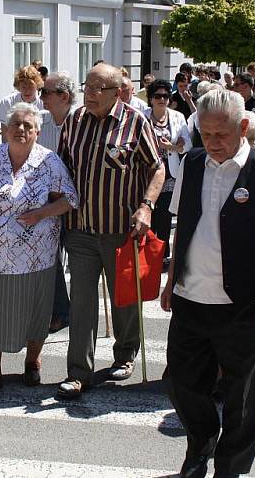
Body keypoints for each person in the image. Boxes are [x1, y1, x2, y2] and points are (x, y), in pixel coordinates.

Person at [161, 88, 255, 478]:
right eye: (205, 135)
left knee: (244, 395)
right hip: (192, 297)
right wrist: (171, 278)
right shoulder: (191, 164)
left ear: (243, 127)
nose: (213, 143)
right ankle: (200, 445)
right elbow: (183, 225)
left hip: (246, 302)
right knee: (182, 383)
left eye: (221, 134)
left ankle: (230, 468)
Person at [56, 63, 164, 399]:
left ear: (116, 93)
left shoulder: (135, 121)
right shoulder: (74, 121)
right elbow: (61, 168)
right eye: (86, 86)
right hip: (80, 229)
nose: (88, 93)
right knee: (82, 305)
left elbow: (157, 168)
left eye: (97, 88)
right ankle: (79, 373)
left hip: (120, 231)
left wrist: (146, 205)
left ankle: (126, 351)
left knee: (123, 301)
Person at [0, 103, 78, 396]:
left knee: (36, 312)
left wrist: (42, 213)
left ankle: (32, 361)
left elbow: (70, 199)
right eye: (15, 125)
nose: (21, 129)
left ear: (37, 132)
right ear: (5, 130)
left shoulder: (49, 162)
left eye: (28, 126)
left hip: (36, 256)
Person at [39, 71, 76, 332]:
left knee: (77, 262)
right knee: (50, 259)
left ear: (63, 97)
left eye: (45, 93)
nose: (41, 98)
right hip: (49, 201)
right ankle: (60, 311)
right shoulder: (41, 122)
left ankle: (78, 312)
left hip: (77, 202)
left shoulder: (82, 122)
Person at [144, 78, 192, 261]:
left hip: (170, 174)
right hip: (147, 174)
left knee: (164, 218)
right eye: (157, 96)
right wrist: (173, 144)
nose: (161, 99)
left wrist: (171, 147)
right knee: (150, 216)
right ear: (151, 98)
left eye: (165, 96)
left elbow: (186, 144)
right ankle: (147, 254)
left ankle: (163, 257)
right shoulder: (143, 116)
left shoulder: (177, 117)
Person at [0, 66, 44, 139]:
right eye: (24, 87)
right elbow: (5, 135)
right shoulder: (7, 102)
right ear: (18, 86)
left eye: (30, 87)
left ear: (37, 86)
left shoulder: (44, 103)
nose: (27, 91)